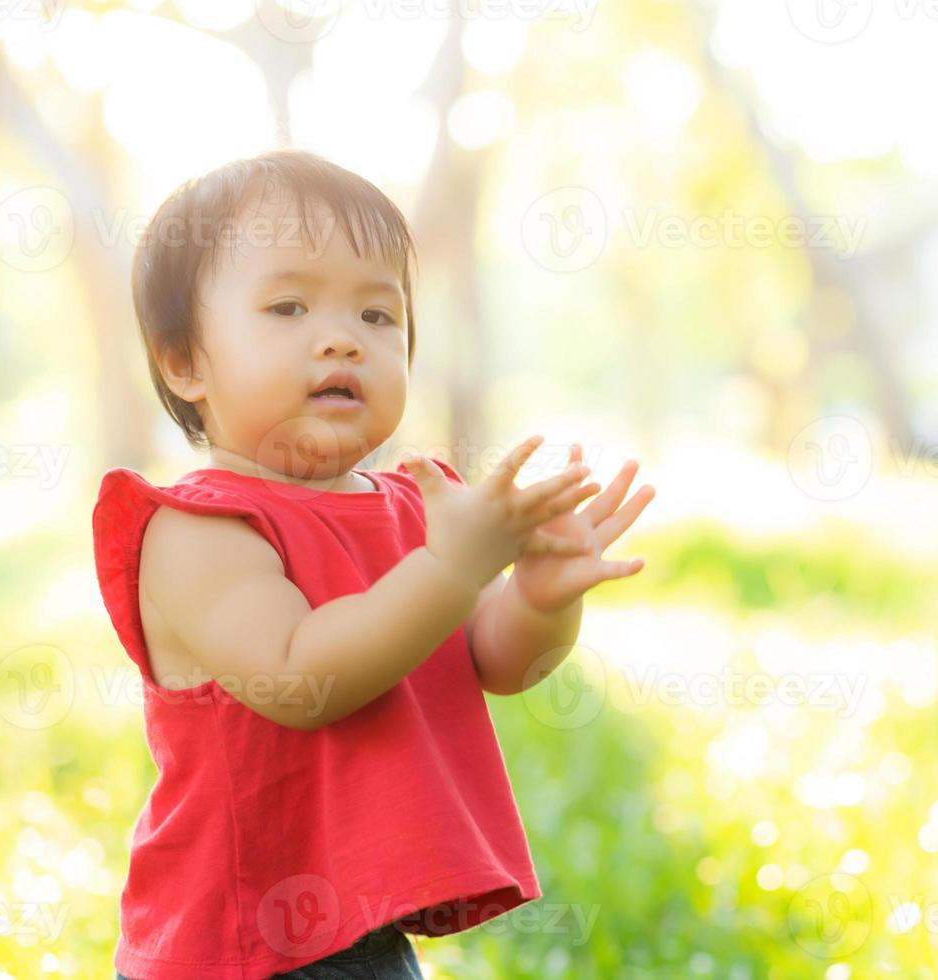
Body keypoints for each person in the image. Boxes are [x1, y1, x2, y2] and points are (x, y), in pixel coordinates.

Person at [92, 148, 655, 979]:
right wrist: (452, 567)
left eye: (378, 317)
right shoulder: (196, 529)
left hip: (362, 930)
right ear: (185, 361)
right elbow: (298, 679)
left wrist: (538, 596)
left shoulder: (411, 509)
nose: (341, 341)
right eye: (288, 306)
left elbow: (489, 661)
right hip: (236, 943)